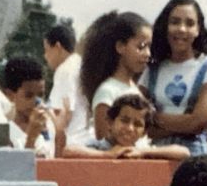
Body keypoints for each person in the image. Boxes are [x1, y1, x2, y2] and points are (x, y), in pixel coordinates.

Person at [142, 0, 207, 156]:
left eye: (190, 23)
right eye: (175, 22)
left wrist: (155, 118)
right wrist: (186, 123)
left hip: (195, 155)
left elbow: (201, 120)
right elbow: (140, 121)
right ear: (166, 26)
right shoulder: (151, 70)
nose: (182, 29)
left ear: (198, 30)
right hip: (157, 153)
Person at [78, 11, 151, 142]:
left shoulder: (135, 89)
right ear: (120, 47)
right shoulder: (108, 91)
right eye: (141, 47)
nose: (147, 54)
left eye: (149, 47)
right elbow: (104, 141)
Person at [62, 93, 189, 161]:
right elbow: (68, 151)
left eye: (138, 124)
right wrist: (106, 155)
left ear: (144, 132)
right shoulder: (98, 147)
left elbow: (184, 153)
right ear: (110, 122)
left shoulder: (141, 151)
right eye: (124, 121)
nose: (130, 128)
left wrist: (144, 152)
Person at [43, 22, 90, 147]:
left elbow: (64, 112)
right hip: (81, 139)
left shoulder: (65, 70)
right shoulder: (79, 64)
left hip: (69, 141)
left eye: (47, 50)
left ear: (58, 47)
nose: (45, 56)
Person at [0, 56, 56, 157]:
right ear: (10, 95)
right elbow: (19, 170)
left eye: (40, 95)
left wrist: (59, 134)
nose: (37, 102)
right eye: (28, 96)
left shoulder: (49, 127)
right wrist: (31, 138)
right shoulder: (7, 134)